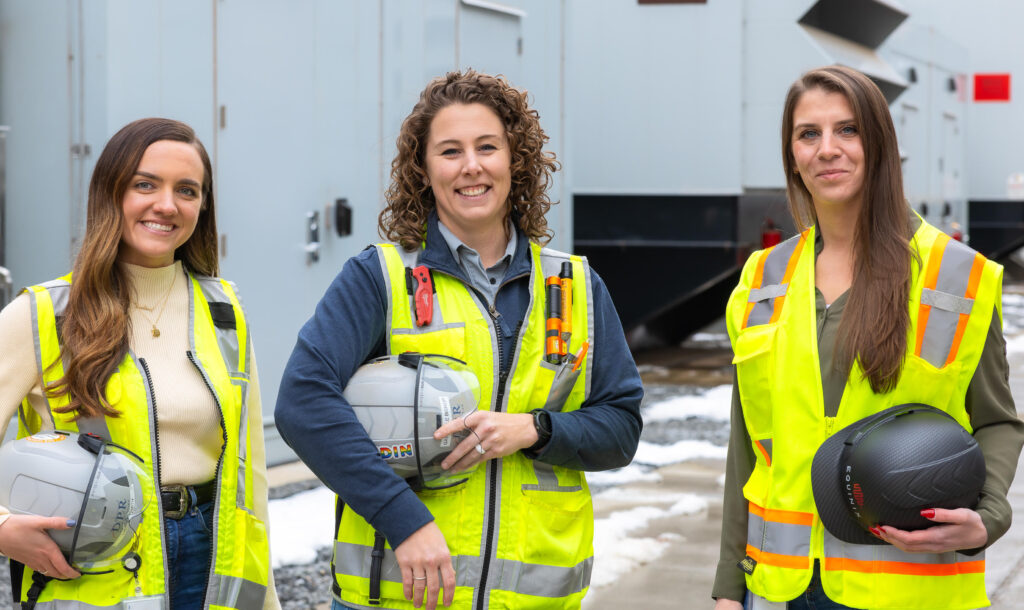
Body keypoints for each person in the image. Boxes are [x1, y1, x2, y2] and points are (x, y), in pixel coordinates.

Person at [275, 69, 644, 610]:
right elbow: (302, 403)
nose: (471, 166)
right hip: (400, 597)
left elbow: (621, 428)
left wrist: (535, 429)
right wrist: (404, 519)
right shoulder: (379, 278)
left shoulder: (576, 286)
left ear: (515, 160)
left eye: (487, 147)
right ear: (424, 171)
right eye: (450, 151)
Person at [712, 65, 1024, 610]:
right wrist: (728, 586)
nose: (827, 149)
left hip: (908, 590)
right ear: (792, 155)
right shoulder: (763, 279)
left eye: (848, 129)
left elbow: (996, 420)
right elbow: (747, 445)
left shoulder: (956, 277)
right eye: (808, 134)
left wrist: (988, 517)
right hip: (778, 588)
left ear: (880, 143)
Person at [0, 118, 279, 609]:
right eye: (145, 185)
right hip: (94, 564)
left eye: (186, 190)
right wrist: (3, 529)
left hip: (212, 558)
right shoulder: (43, 314)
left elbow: (250, 470)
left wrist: (267, 598)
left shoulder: (223, 310)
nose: (167, 205)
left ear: (203, 205)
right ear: (110, 193)